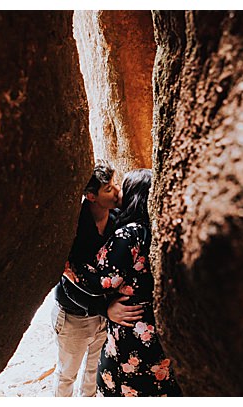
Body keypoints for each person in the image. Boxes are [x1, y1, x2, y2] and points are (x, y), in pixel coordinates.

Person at [71, 169, 182, 397]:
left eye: (122, 186)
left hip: (132, 328)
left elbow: (105, 281)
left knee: (127, 384)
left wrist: (68, 268)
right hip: (155, 322)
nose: (119, 192)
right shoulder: (157, 227)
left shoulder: (130, 234)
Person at [52, 160, 144, 397]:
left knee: (93, 373)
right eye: (108, 189)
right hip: (75, 315)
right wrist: (104, 308)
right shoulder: (74, 225)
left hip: (104, 315)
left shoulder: (117, 219)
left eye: (114, 185)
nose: (116, 192)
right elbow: (68, 280)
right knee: (67, 374)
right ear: (91, 196)